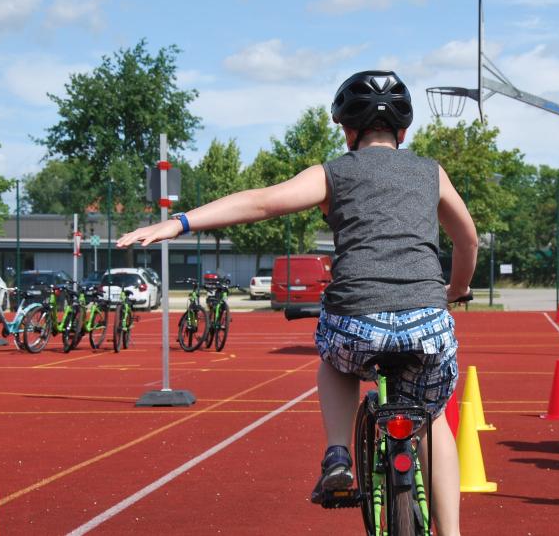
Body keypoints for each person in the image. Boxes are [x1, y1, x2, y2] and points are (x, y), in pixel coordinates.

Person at [116, 70, 476, 535]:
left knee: (335, 357)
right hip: (426, 320)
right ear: (402, 131)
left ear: (348, 130)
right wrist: (454, 291)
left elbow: (264, 202)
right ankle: (451, 533)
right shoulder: (431, 172)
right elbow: (466, 240)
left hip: (355, 320)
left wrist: (180, 223)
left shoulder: (334, 172)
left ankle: (338, 454)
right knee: (433, 418)